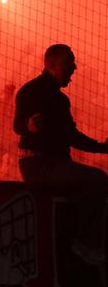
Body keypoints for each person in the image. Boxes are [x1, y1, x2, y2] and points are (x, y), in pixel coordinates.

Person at [14, 44, 108, 264]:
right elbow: (18, 124)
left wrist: (101, 147)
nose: (74, 67)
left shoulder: (59, 100)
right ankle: (86, 244)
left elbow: (70, 135)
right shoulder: (31, 91)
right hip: (38, 165)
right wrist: (28, 126)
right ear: (51, 65)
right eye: (70, 62)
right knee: (98, 180)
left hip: (50, 165)